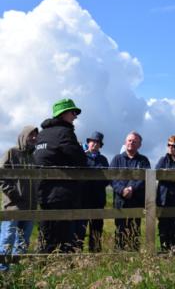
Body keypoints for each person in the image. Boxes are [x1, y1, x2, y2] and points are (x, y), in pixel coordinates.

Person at [34, 98, 87, 253]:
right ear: (63, 114)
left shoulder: (42, 134)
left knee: (46, 233)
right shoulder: (64, 133)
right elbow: (80, 159)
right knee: (65, 237)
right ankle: (63, 268)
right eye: (73, 112)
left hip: (43, 192)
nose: (75, 116)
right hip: (62, 194)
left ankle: (43, 266)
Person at [0, 126, 38, 271]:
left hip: (30, 207)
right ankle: (2, 271)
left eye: (35, 136)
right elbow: (1, 175)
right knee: (7, 239)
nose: (34, 138)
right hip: (13, 206)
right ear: (23, 136)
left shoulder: (33, 157)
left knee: (23, 241)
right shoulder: (11, 153)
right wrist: (14, 195)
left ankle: (17, 272)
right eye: (31, 135)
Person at [111, 131, 150, 251]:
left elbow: (145, 178)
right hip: (120, 201)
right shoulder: (117, 159)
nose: (131, 143)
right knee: (120, 229)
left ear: (139, 145)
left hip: (136, 201)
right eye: (129, 140)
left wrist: (132, 188)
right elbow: (112, 177)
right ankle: (119, 256)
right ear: (125, 142)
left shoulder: (143, 160)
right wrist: (122, 190)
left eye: (135, 141)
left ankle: (134, 256)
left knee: (135, 229)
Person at [76, 131, 109, 252]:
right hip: (83, 198)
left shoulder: (103, 160)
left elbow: (107, 179)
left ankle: (95, 254)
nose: (95, 144)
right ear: (88, 143)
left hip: (98, 199)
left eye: (97, 142)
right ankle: (77, 253)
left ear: (100, 145)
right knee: (80, 228)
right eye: (93, 141)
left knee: (97, 228)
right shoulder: (82, 157)